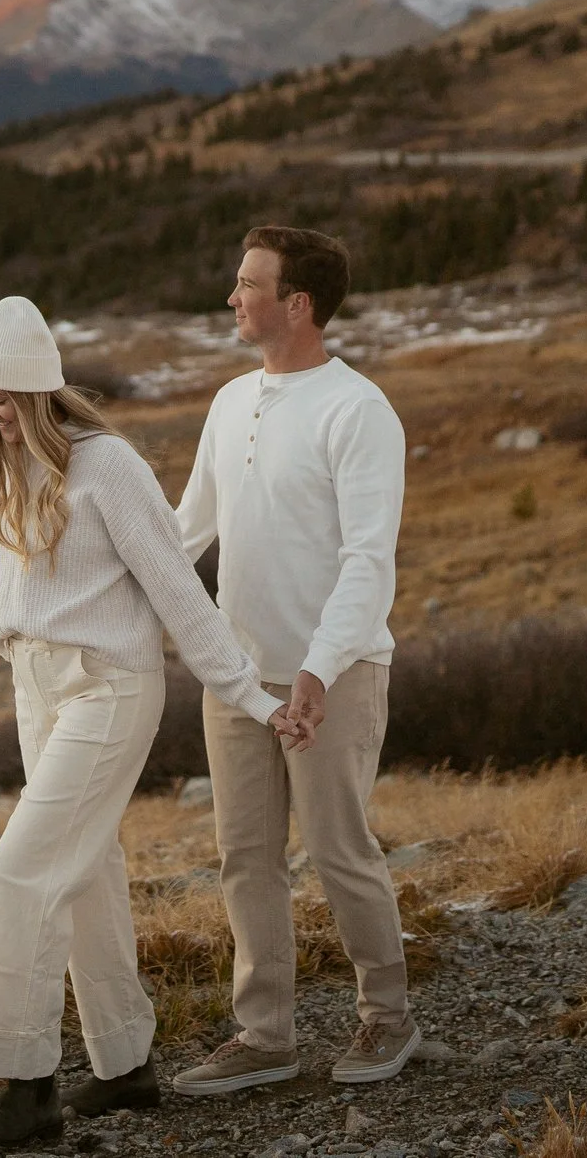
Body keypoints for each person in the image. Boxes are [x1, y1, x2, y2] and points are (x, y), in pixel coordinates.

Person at [0, 296, 305, 1148]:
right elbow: (29, 590)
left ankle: (25, 1084)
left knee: (22, 872)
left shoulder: (106, 466)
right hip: (38, 689)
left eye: (5, 396)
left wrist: (253, 695)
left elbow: (178, 591)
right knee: (85, 875)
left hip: (108, 691)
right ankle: (124, 1065)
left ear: (40, 390)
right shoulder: (2, 465)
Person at [169, 226, 417, 1096]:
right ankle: (264, 1033)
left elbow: (367, 561)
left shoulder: (359, 410)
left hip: (335, 674)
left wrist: (315, 671)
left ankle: (387, 1016)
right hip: (236, 678)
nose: (233, 297)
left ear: (297, 304)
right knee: (245, 856)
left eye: (248, 283)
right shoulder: (231, 402)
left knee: (340, 848)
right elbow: (183, 529)